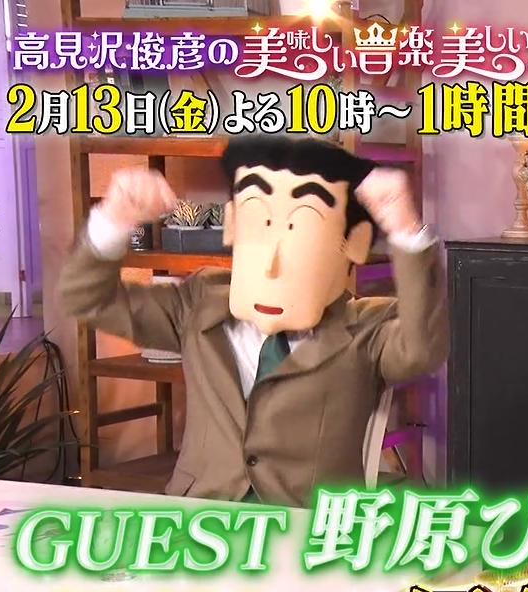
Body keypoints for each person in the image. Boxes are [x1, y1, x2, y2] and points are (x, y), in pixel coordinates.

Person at [58, 136, 447, 507]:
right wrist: (113, 220)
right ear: (232, 223)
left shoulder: (364, 328)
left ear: (355, 243)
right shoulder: (198, 303)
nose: (273, 262)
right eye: (259, 223)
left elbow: (424, 347)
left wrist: (406, 232)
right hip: (202, 519)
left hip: (306, 524)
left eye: (300, 230)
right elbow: (86, 298)